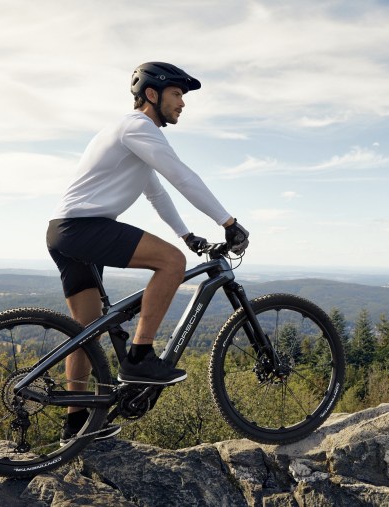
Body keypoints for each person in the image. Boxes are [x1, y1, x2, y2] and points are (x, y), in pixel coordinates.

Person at [46, 62, 249, 442]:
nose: (183, 104)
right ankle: (140, 358)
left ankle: (75, 425)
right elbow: (182, 175)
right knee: (171, 262)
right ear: (152, 94)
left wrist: (186, 233)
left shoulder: (130, 136)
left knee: (86, 334)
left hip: (64, 232)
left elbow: (156, 191)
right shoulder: (138, 127)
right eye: (177, 94)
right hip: (84, 228)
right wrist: (227, 222)